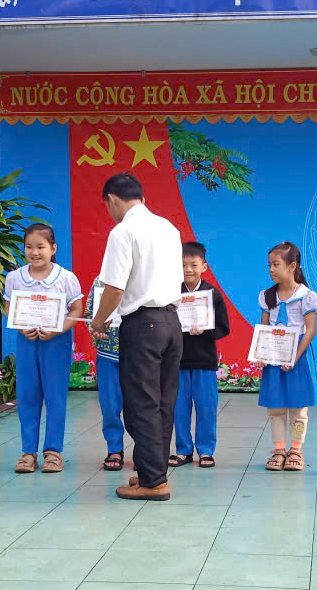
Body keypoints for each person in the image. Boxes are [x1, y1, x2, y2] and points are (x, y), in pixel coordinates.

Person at [89, 172, 184, 501]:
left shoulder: (123, 231)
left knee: (141, 403)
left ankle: (154, 482)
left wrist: (98, 321)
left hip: (143, 325)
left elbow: (115, 288)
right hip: (172, 322)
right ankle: (150, 471)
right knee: (163, 402)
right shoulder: (168, 228)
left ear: (112, 199)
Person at [4, 223, 84, 475]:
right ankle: (28, 452)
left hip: (56, 343)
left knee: (55, 397)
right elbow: (8, 306)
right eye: (29, 247)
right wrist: (20, 328)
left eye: (41, 247)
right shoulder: (14, 277)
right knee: (27, 395)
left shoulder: (66, 278)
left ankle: (53, 452)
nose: (35, 252)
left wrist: (59, 329)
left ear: (53, 248)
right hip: (27, 342)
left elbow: (77, 309)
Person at [257, 242, 317, 472]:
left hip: (298, 358)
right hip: (274, 358)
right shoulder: (267, 296)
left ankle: (295, 450)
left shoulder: (306, 296)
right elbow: (264, 328)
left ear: (292, 266)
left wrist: (295, 357)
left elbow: (310, 330)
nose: (271, 270)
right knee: (275, 408)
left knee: (298, 408)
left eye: (276, 264)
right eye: (269, 265)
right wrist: (262, 352)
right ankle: (278, 450)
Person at [172, 241, 230, 468]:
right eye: (183, 265)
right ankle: (183, 450)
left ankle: (206, 451)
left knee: (206, 408)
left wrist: (205, 330)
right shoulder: (172, 293)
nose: (188, 270)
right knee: (179, 409)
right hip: (177, 361)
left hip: (204, 361)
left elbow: (224, 327)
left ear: (204, 266)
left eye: (193, 265)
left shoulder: (212, 294)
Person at [86, 275, 125, 472]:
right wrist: (95, 328)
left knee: (140, 406)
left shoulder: (144, 274)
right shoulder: (101, 281)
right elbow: (90, 314)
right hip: (107, 354)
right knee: (110, 406)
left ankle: (143, 451)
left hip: (140, 354)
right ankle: (114, 449)